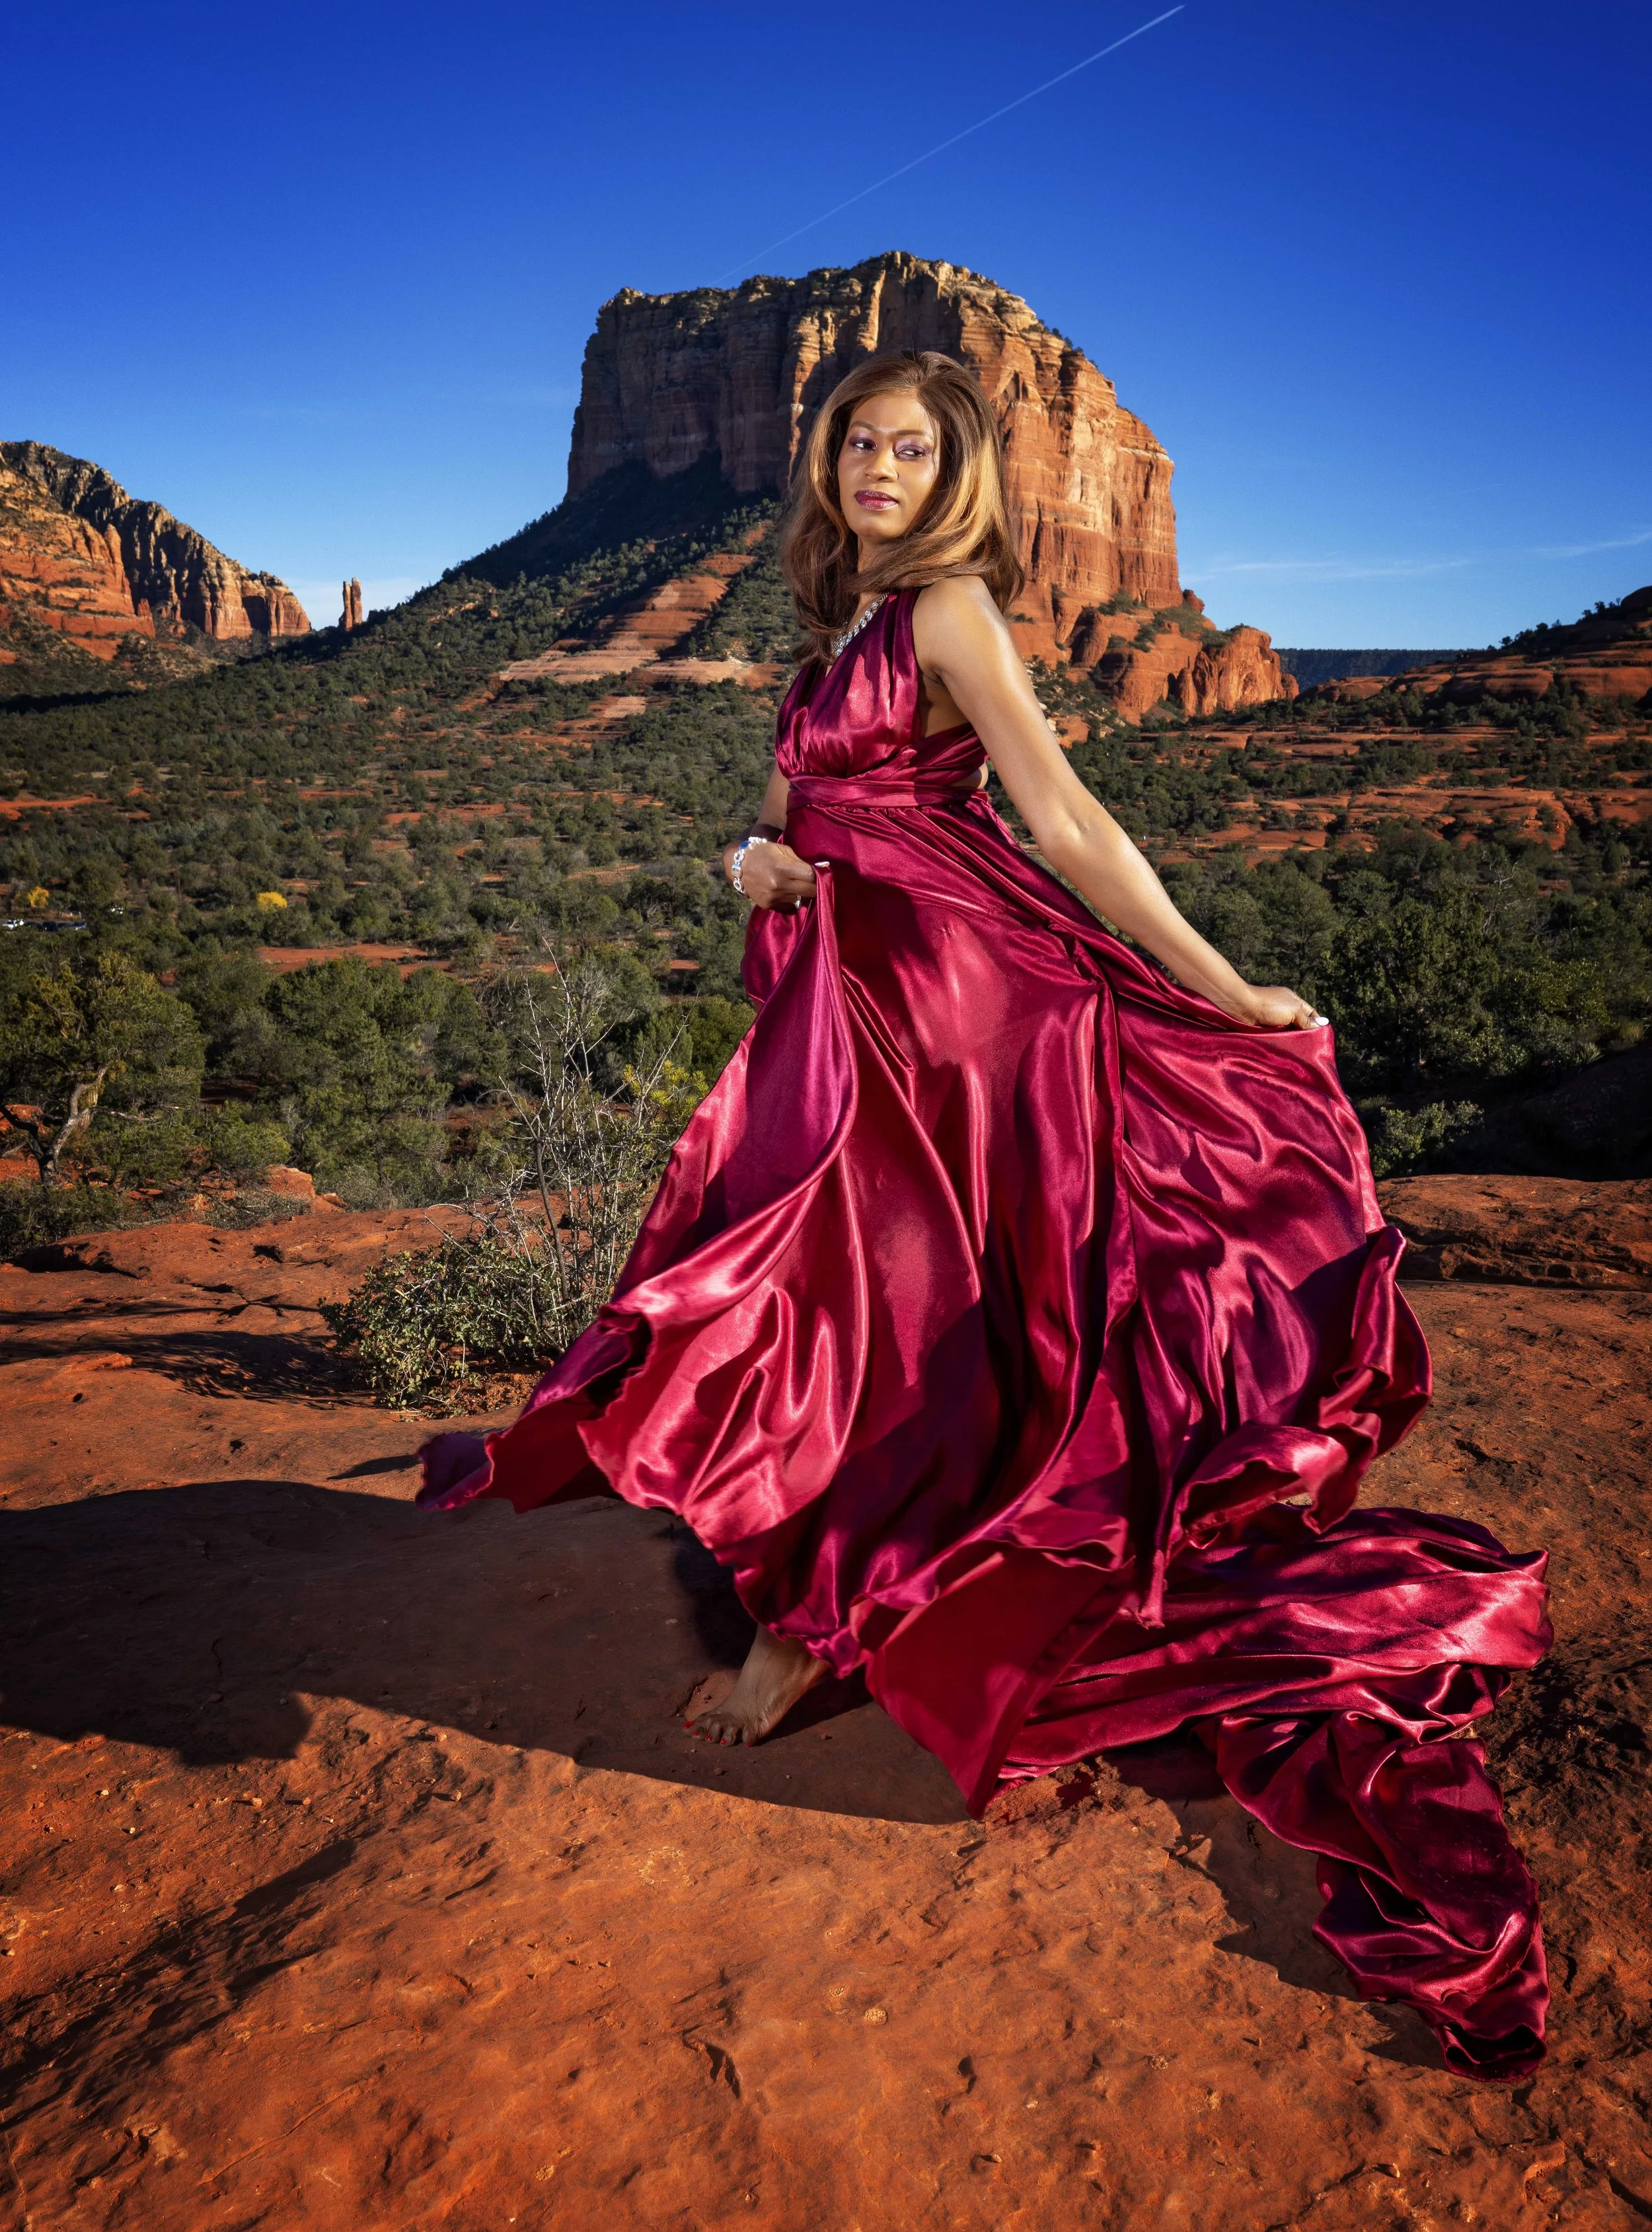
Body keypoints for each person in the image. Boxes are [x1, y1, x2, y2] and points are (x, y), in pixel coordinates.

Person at [420, 350, 1550, 2078]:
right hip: (848, 992)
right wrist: (760, 861)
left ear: (953, 478)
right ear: (826, 459)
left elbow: (1066, 816)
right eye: (858, 440)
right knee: (829, 1304)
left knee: (877, 1308)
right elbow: (815, 810)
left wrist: (1224, 983)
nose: (878, 465)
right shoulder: (839, 617)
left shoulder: (946, 605)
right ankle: (819, 1616)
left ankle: (808, 1638)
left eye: (911, 447)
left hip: (960, 1012)